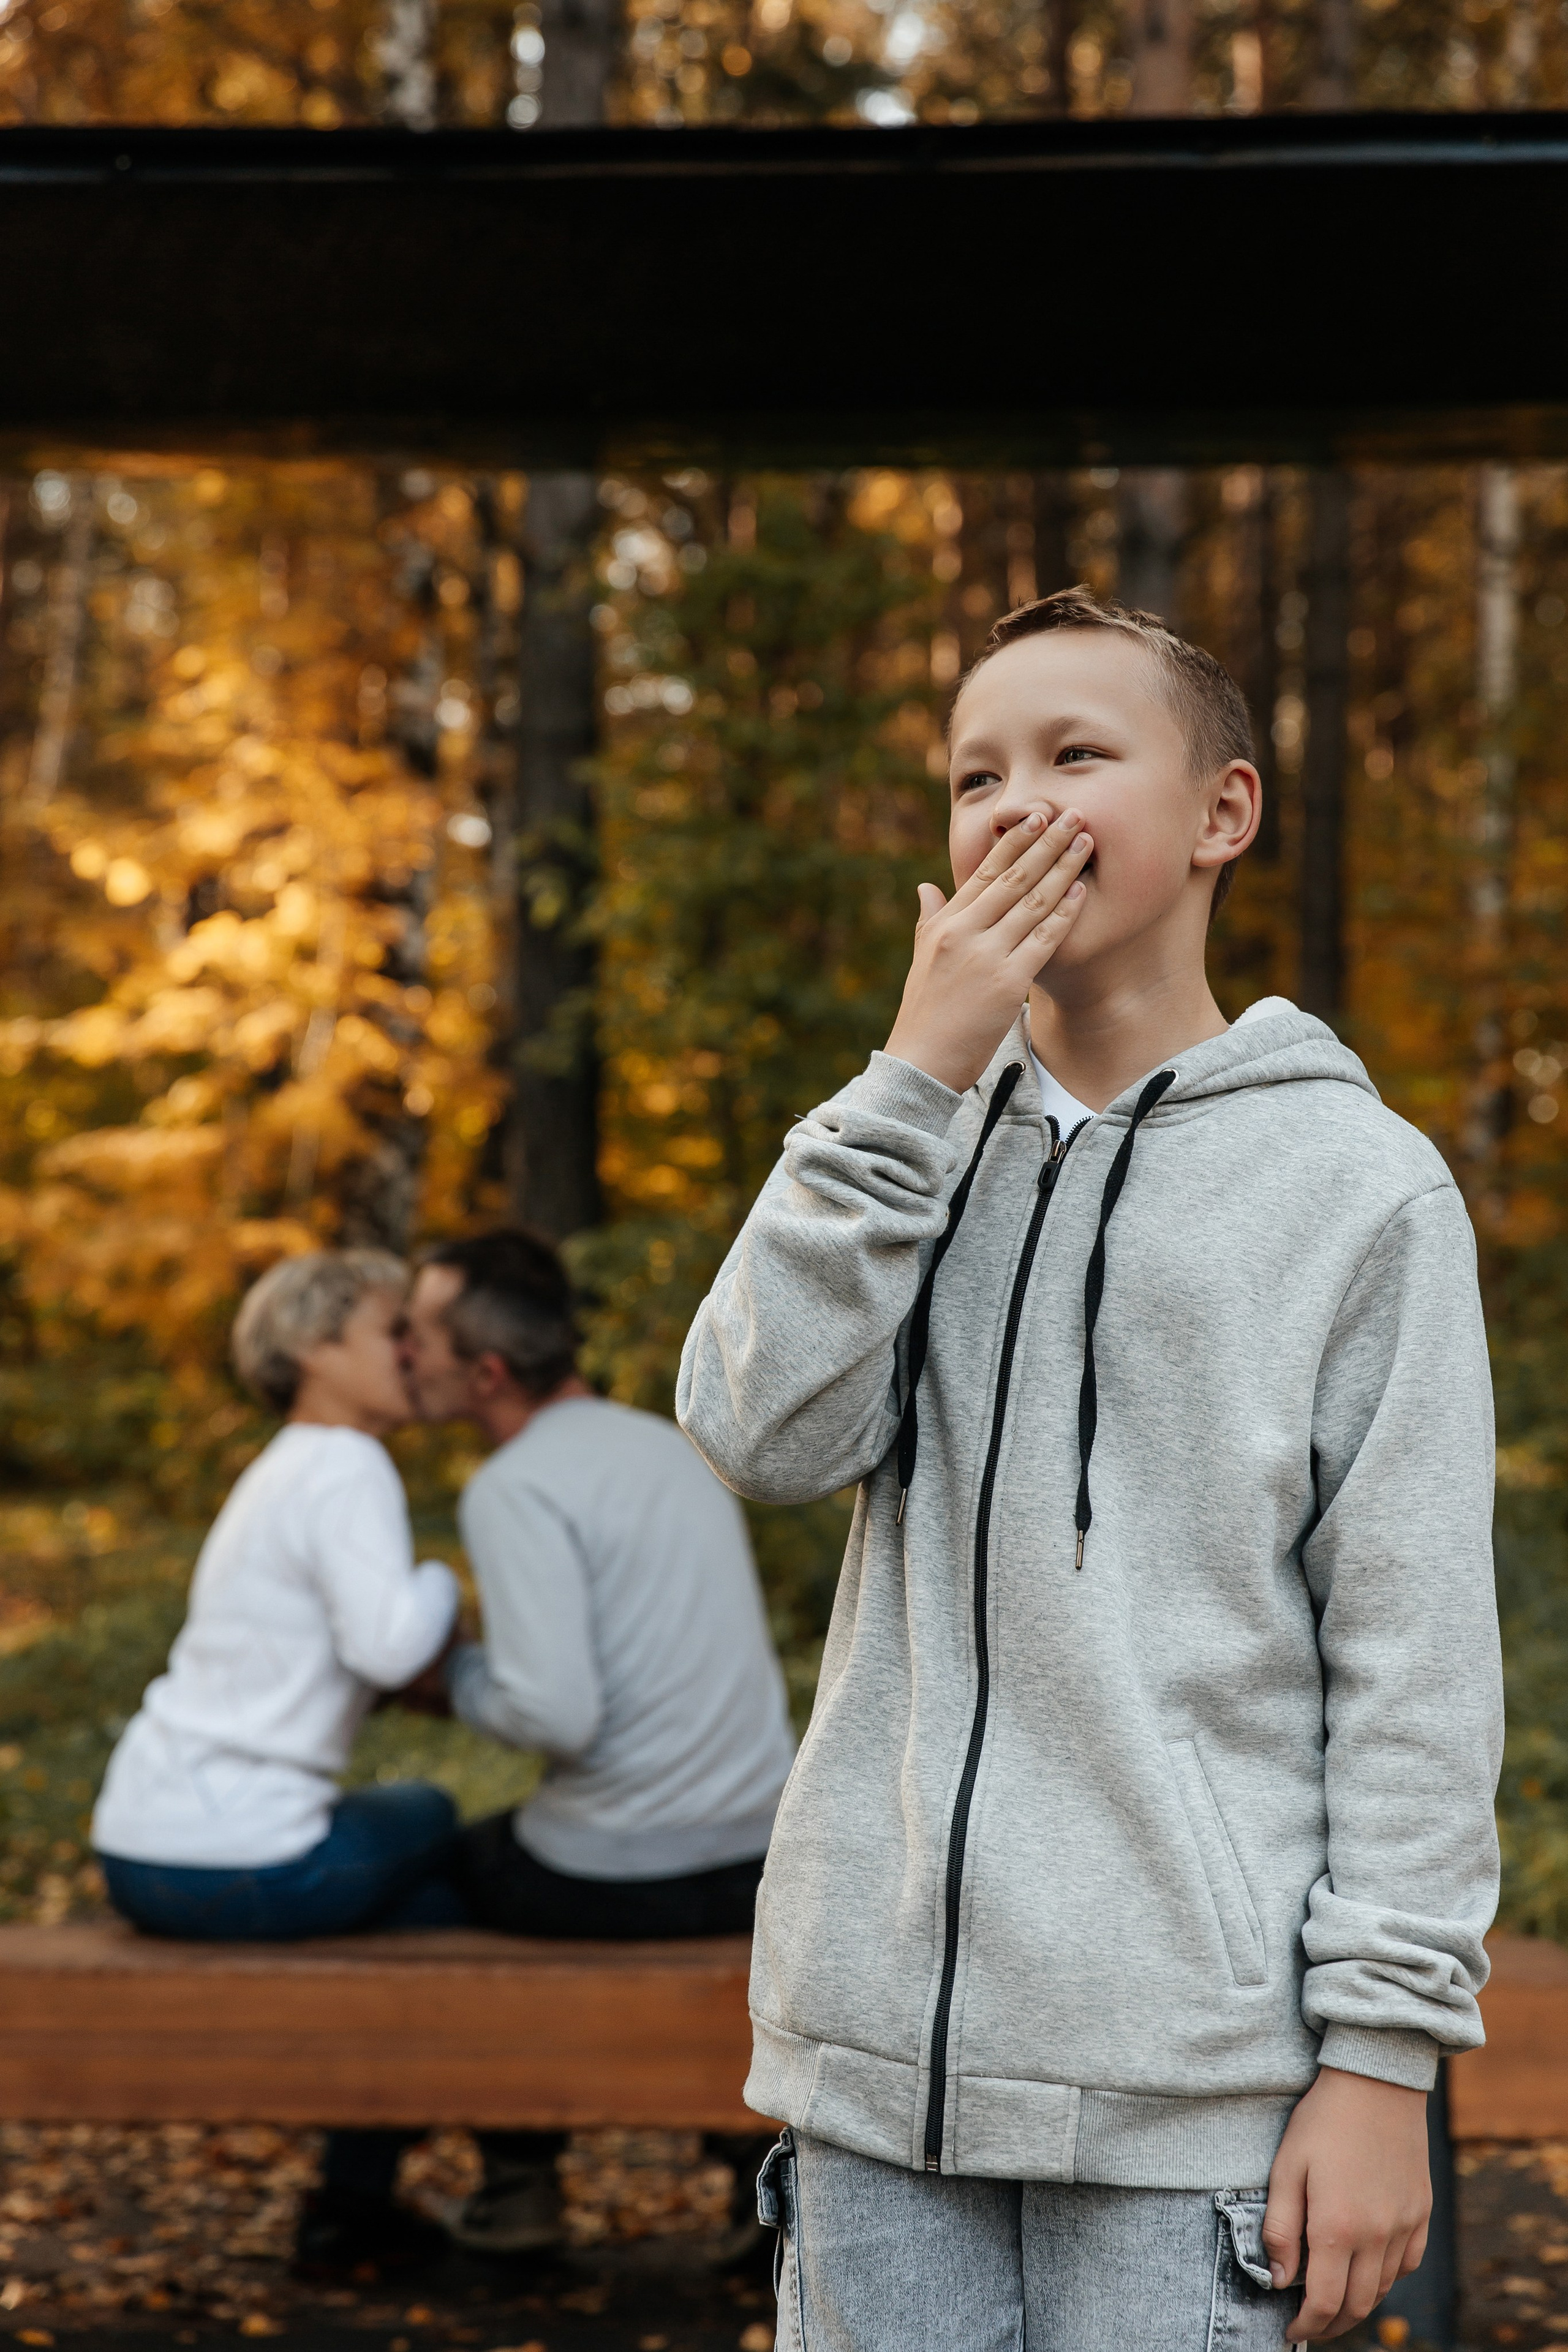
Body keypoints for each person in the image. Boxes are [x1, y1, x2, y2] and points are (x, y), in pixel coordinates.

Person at [676, 586, 1502, 2351]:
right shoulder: (902, 1140)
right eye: (975, 776)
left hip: (1191, 2105)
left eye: (1074, 754)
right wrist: (913, 1078)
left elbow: (1420, 1660)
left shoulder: (1356, 1188)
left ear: (1223, 814)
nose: (1013, 807)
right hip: (871, 2090)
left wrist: (1381, 2064)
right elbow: (757, 1432)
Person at [396, 1227, 797, 2254]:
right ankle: (748, 2184)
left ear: (485, 1372)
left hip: (629, 1871)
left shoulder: (515, 1485)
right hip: (761, 1855)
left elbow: (553, 1715)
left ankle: (508, 2185)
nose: (403, 1351)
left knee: (430, 1874)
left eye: (420, 1335)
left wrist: (453, 1678)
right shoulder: (670, 1443)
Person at [92, 1248, 464, 2272]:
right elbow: (389, 1644)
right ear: (313, 1349)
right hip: (243, 1862)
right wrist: (441, 1578)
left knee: (416, 1908)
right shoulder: (348, 1463)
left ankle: (357, 2203)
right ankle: (363, 2200)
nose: (408, 1349)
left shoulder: (280, 1469)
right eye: (386, 1330)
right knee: (432, 1827)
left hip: (137, 1844)